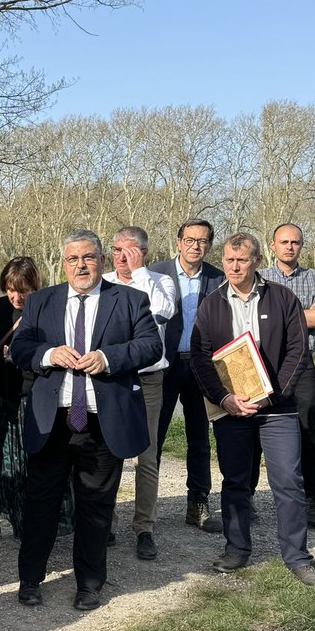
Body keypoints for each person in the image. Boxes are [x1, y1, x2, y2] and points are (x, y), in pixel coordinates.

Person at [11, 230, 161, 611]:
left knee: (96, 506)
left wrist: (108, 359)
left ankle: (90, 584)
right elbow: (20, 347)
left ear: (102, 261)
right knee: (40, 503)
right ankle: (30, 579)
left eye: (89, 257)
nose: (81, 265)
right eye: (73, 258)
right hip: (53, 420)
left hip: (101, 420)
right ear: (63, 264)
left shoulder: (129, 300)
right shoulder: (41, 302)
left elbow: (151, 345)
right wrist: (48, 354)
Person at [190, 232, 315, 586]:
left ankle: (297, 557)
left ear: (257, 261)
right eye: (230, 260)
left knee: (288, 482)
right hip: (232, 410)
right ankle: (236, 549)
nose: (235, 267)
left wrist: (273, 394)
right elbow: (201, 359)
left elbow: (297, 350)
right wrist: (224, 399)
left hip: (277, 409)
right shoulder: (211, 304)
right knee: (235, 481)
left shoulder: (282, 298)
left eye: (243, 260)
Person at [0, 257, 74, 543]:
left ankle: (26, 523)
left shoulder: (46, 309)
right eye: (10, 290)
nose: (16, 297)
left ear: (35, 287)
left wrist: (20, 358)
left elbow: (52, 357)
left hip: (29, 398)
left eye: (23, 290)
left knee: (24, 464)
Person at [104, 227, 177, 560]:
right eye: (116, 249)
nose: (121, 256)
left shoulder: (161, 283)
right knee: (108, 453)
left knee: (146, 457)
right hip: (111, 379)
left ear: (144, 253)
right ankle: (106, 522)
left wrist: (139, 273)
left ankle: (144, 527)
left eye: (129, 251)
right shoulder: (102, 282)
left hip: (148, 380)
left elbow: (161, 313)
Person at [258, 223, 315, 528]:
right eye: (284, 242)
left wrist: (276, 317)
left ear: (302, 246)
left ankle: (312, 498)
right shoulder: (260, 278)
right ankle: (245, 498)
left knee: (305, 429)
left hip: (302, 364)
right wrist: (302, 316)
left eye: (296, 242)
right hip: (263, 363)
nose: (290, 247)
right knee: (253, 429)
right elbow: (254, 320)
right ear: (272, 245)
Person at [150, 219, 224, 531]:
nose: (196, 246)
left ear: (209, 245)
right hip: (163, 365)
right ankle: (146, 509)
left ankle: (198, 504)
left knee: (199, 438)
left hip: (201, 366)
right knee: (152, 438)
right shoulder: (155, 274)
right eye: (190, 239)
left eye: (203, 241)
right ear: (178, 242)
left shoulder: (218, 279)